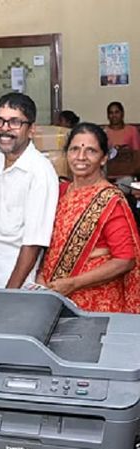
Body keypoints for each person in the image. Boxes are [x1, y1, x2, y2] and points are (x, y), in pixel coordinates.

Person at [37, 123, 140, 313]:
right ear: (67, 154)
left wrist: (73, 283)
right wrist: (41, 274)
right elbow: (48, 241)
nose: (81, 157)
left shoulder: (111, 200)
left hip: (96, 304)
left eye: (91, 151)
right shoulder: (59, 192)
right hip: (54, 295)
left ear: (103, 158)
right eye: (75, 149)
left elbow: (125, 260)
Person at [0, 93, 59, 288]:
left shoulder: (39, 172)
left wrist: (10, 293)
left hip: (13, 287)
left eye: (14, 122)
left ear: (31, 130)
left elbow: (33, 243)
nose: (5, 129)